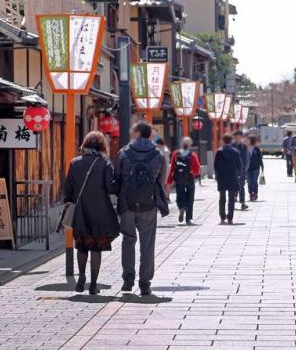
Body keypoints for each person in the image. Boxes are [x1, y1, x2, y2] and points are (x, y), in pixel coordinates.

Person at [114, 122, 168, 296]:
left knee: (128, 240)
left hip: (128, 204)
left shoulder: (123, 153)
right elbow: (161, 180)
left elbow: (117, 179)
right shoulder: (158, 154)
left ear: (137, 133)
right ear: (149, 134)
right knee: (147, 243)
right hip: (149, 204)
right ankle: (145, 283)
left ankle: (128, 280)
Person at [63, 131, 120, 295]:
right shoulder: (104, 163)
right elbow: (111, 188)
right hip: (100, 213)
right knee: (96, 249)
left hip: (80, 212)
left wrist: (71, 202)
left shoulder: (74, 163)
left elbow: (68, 190)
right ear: (102, 146)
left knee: (82, 247)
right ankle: (93, 285)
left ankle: (81, 277)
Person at [167, 137, 201, 225]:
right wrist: (194, 172)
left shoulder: (176, 154)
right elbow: (197, 168)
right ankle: (188, 218)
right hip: (189, 177)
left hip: (179, 178)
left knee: (180, 195)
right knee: (190, 197)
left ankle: (181, 207)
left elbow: (172, 168)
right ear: (189, 145)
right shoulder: (192, 155)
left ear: (181, 144)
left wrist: (169, 179)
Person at [214, 133, 242, 225]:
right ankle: (230, 217)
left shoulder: (219, 152)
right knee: (231, 198)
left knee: (222, 197)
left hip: (222, 177)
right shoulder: (235, 152)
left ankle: (222, 217)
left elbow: (215, 165)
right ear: (231, 141)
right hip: (232, 177)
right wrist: (239, 174)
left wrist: (217, 175)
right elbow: (240, 165)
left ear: (223, 141)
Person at [232, 130, 250, 210]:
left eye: (240, 137)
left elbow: (246, 159)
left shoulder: (244, 146)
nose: (238, 139)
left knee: (241, 187)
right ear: (234, 137)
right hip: (232, 170)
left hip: (242, 170)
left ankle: (242, 203)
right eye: (237, 137)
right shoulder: (231, 146)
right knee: (232, 187)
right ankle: (232, 202)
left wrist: (245, 169)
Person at [246, 136, 264, 201]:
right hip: (247, 168)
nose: (246, 141)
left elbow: (260, 158)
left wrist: (262, 167)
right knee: (249, 182)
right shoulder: (244, 148)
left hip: (256, 167)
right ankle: (251, 194)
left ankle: (255, 193)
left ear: (251, 141)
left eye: (248, 140)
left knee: (254, 181)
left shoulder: (256, 148)